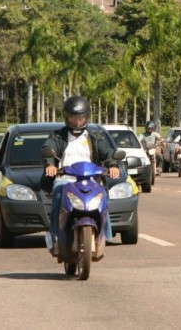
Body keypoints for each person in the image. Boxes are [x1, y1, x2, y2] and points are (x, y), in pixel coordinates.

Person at [42, 95, 120, 255]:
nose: (77, 121)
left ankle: (105, 234)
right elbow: (48, 149)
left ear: (87, 117)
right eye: (73, 117)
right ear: (66, 117)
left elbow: (109, 153)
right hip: (66, 179)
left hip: (90, 179)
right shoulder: (57, 136)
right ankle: (55, 236)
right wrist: (50, 164)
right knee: (58, 194)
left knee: (103, 195)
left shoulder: (95, 137)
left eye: (81, 117)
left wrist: (113, 165)